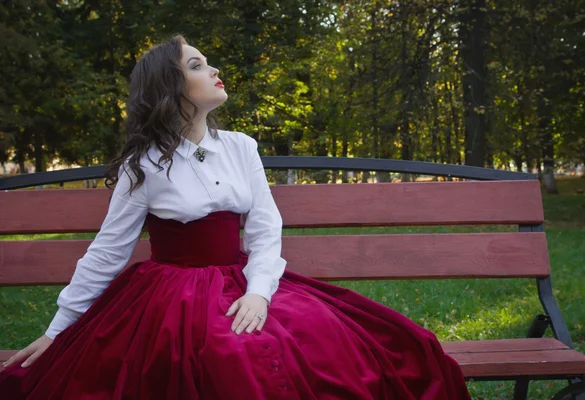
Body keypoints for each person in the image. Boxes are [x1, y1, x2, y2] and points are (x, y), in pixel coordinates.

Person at [0, 35, 470, 399]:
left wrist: (259, 293)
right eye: (197, 65)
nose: (215, 69)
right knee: (231, 355)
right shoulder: (142, 164)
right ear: (171, 87)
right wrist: (59, 330)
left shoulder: (242, 147)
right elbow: (109, 250)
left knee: (343, 343)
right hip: (172, 298)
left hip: (245, 280)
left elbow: (265, 228)